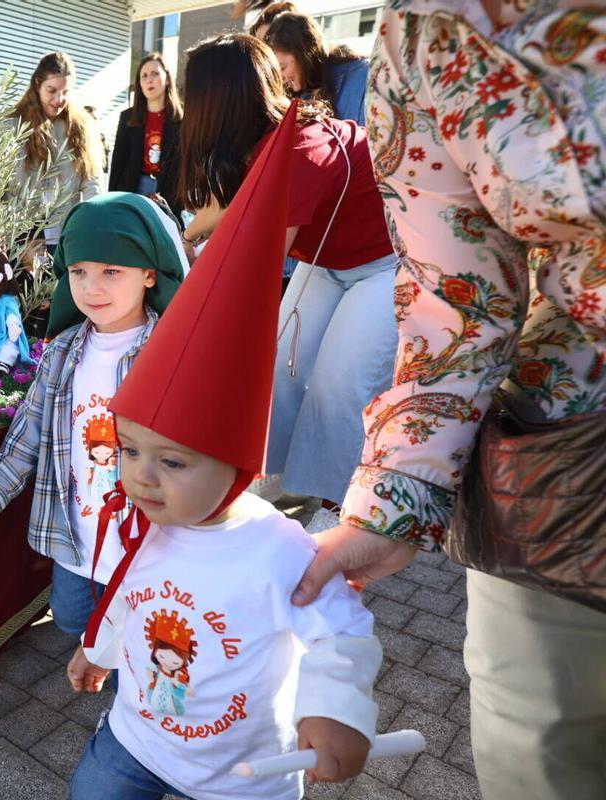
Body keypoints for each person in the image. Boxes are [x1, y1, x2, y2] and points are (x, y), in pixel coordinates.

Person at [291, 3, 606, 799]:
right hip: (564, 467)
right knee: (538, 757)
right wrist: (392, 502)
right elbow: (456, 296)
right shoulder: (426, 28)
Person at [66, 104, 380, 799]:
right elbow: (126, 594)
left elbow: (341, 630)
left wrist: (335, 711)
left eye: (172, 461)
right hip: (134, 739)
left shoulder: (280, 549)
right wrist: (98, 649)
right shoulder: (141, 519)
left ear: (237, 465)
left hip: (241, 776)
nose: (140, 477)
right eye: (129, 450)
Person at [0, 193, 188, 638]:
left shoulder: (173, 355)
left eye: (111, 271)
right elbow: (27, 435)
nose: (91, 287)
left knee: (135, 647)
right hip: (75, 543)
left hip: (147, 549)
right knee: (73, 621)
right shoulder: (61, 353)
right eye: (79, 271)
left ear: (150, 273)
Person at [178, 35, 396, 508]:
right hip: (326, 262)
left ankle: (337, 507)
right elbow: (224, 211)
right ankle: (274, 478)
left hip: (383, 264)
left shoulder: (298, 149)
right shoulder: (259, 144)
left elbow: (252, 275)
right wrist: (181, 242)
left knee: (340, 384)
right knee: (280, 368)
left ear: (216, 101)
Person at [11, 52, 104, 252]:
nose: (58, 100)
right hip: (21, 235)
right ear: (37, 84)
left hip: (66, 233)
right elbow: (4, 188)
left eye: (65, 92)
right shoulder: (13, 125)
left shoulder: (80, 126)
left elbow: (92, 183)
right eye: (51, 90)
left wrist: (91, 223)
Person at [108, 54, 184, 214]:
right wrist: (111, 201)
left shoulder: (182, 119)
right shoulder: (127, 117)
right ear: (140, 83)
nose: (149, 80)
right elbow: (118, 162)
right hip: (134, 187)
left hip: (169, 191)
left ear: (167, 79)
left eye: (155, 74)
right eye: (144, 76)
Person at [263, 12, 370, 124]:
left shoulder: (362, 76)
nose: (281, 78)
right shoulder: (298, 96)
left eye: (282, 67)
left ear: (304, 54)